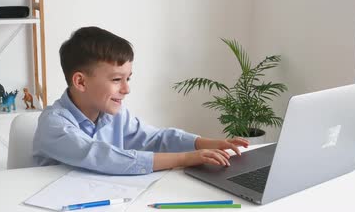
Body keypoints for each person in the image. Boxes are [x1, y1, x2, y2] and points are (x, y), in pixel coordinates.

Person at [33, 26, 249, 175]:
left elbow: (155, 138)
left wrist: (206, 143)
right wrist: (186, 158)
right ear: (80, 82)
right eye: (117, 79)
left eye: (128, 78)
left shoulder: (113, 114)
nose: (126, 89)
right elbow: (104, 157)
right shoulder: (54, 124)